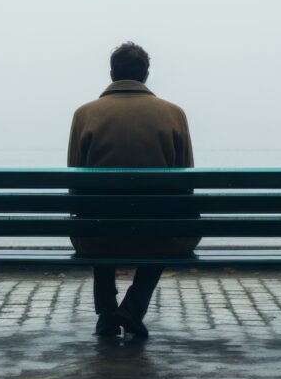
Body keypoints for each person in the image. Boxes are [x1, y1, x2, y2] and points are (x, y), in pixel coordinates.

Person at [67, 41, 197, 339]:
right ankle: (133, 307)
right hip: (158, 238)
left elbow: (76, 185)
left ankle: (106, 314)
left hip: (96, 237)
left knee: (95, 218)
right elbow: (185, 184)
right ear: (146, 74)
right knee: (167, 228)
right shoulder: (174, 114)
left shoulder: (85, 114)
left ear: (112, 73)